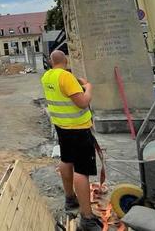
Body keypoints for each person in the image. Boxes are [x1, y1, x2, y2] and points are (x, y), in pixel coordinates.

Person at [41, 50, 102, 231]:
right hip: (78, 128)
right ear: (65, 60)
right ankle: (87, 218)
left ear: (51, 62)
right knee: (81, 171)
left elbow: (63, 96)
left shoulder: (47, 77)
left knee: (66, 160)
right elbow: (82, 102)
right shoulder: (66, 77)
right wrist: (88, 87)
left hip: (62, 127)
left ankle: (70, 199)